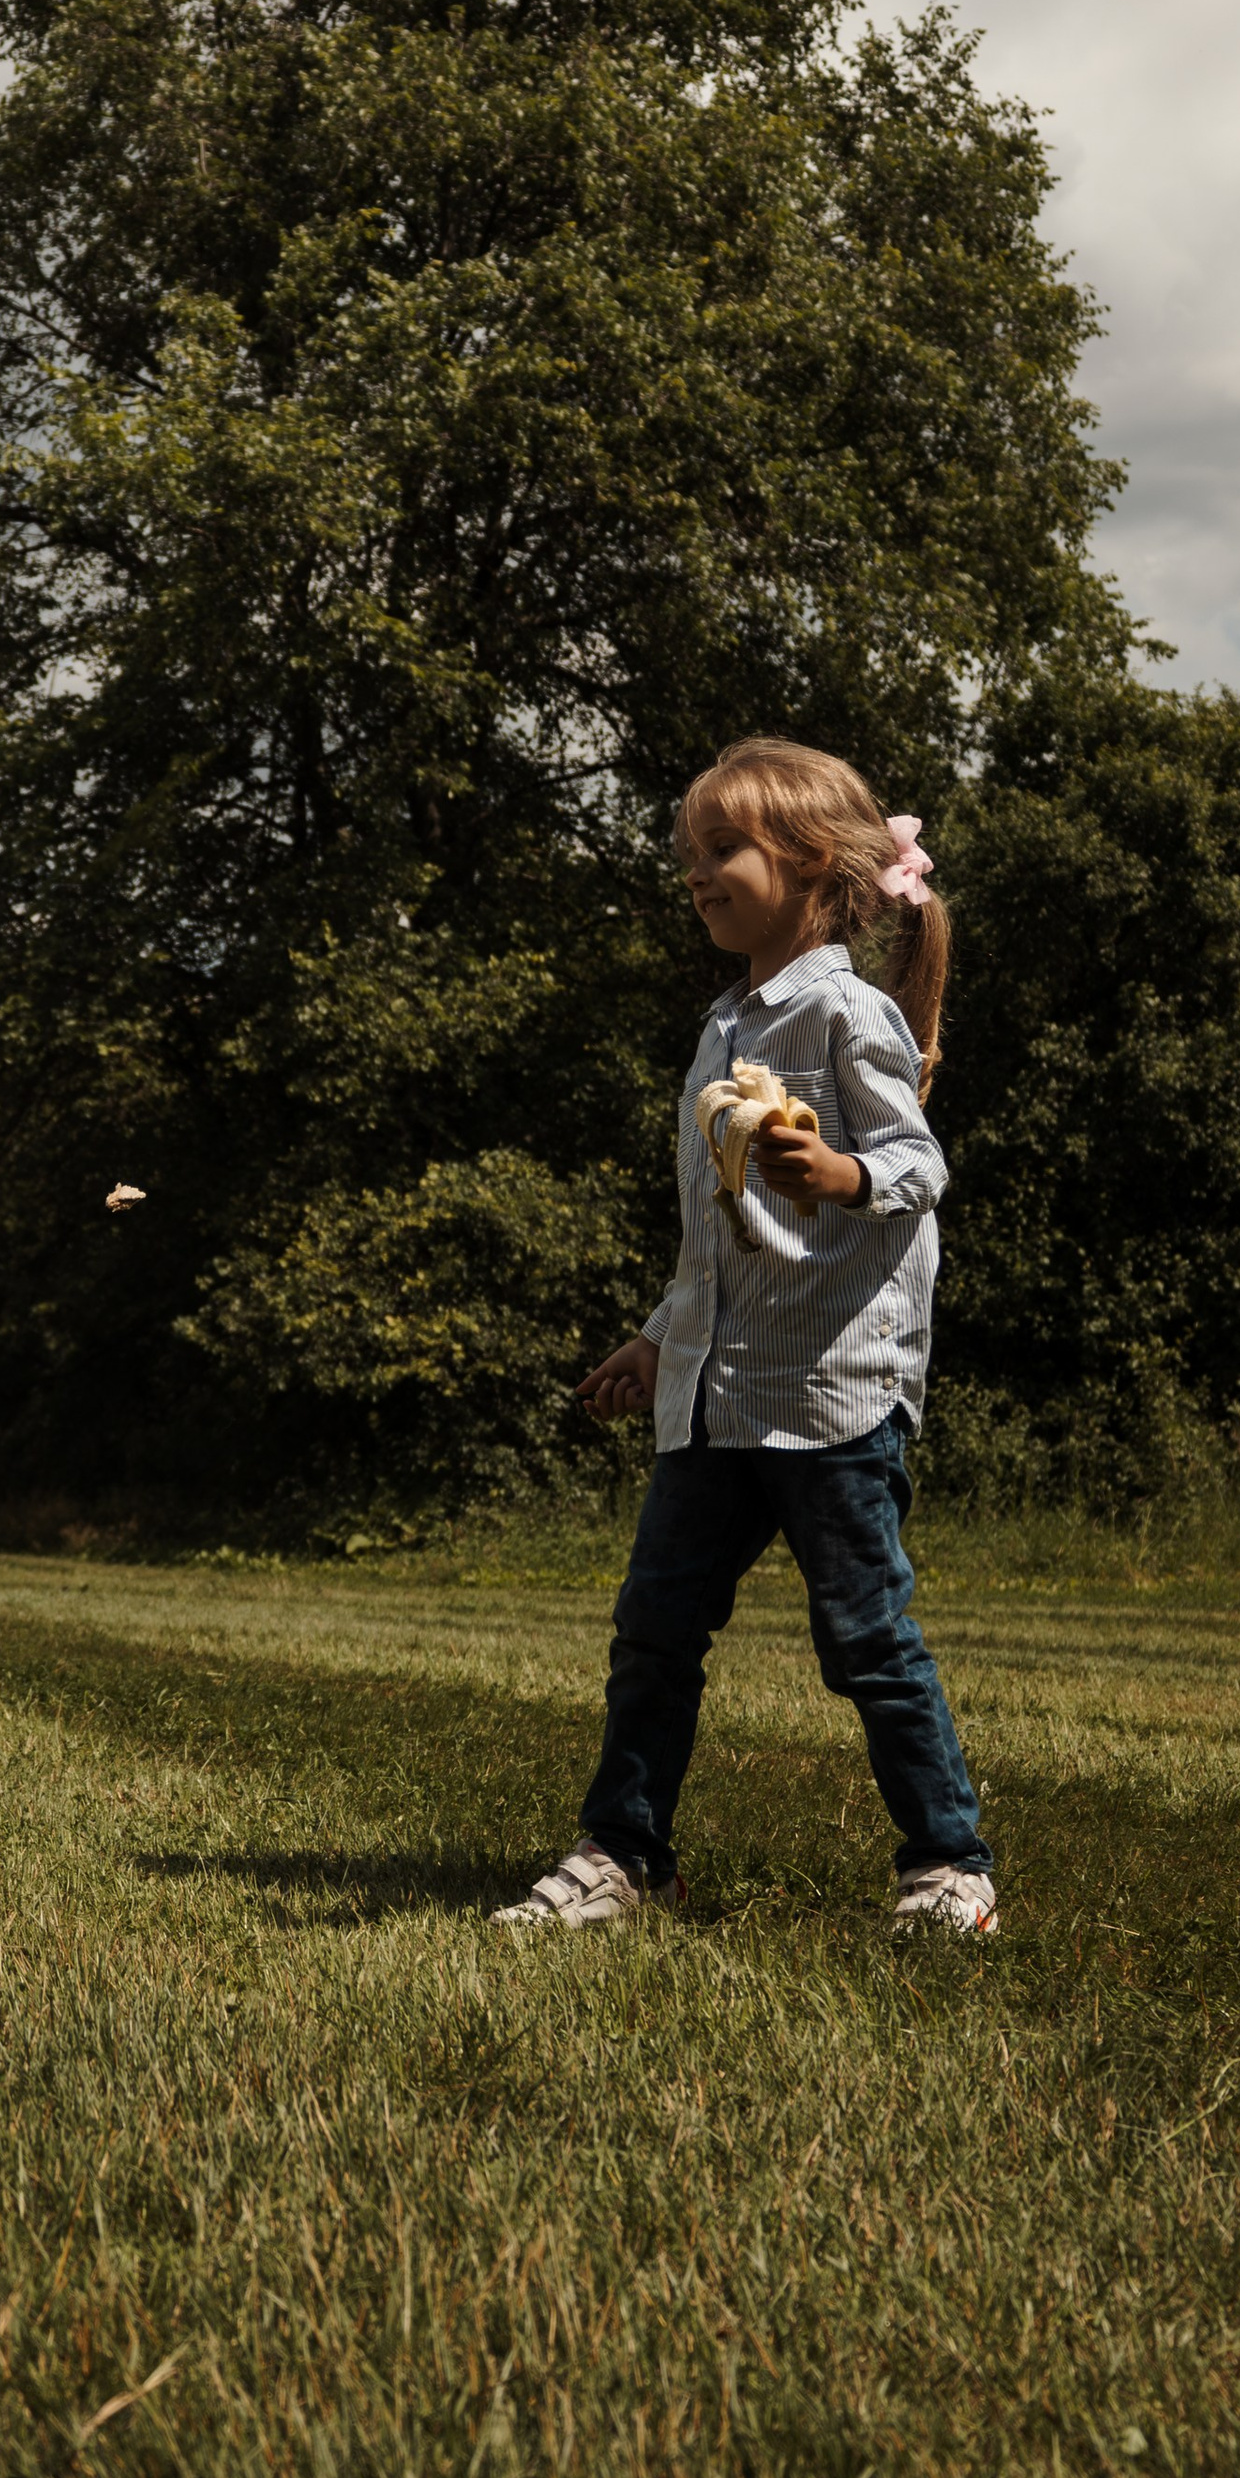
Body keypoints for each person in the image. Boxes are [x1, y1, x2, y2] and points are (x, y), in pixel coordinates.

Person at [496, 735, 996, 1937]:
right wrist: (659, 1337)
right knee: (654, 1634)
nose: (697, 872)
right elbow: (717, 1241)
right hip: (715, 1397)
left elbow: (917, 1163)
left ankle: (947, 1869)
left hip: (831, 1396)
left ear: (812, 862)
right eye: (689, 854)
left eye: (722, 848)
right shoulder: (725, 1026)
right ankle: (622, 1859)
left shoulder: (841, 1009)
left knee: (865, 1639)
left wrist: (836, 1169)